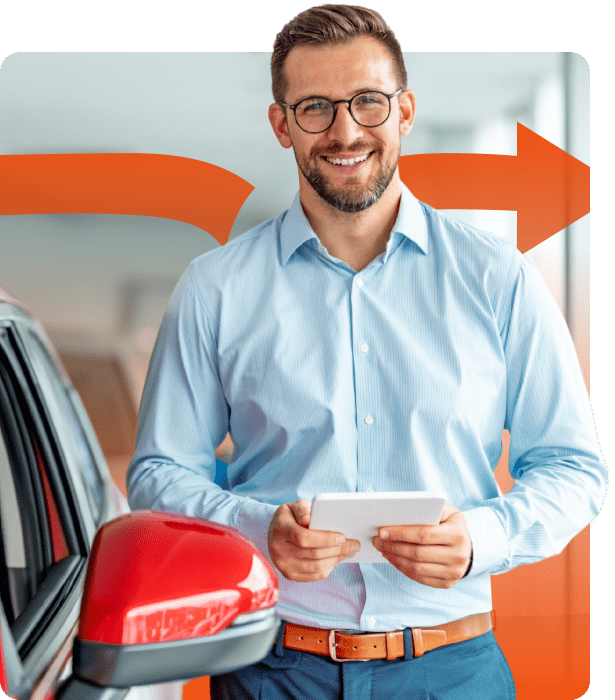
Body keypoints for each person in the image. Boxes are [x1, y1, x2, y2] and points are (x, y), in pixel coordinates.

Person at [127, 5, 607, 699]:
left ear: (405, 110)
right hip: (272, 669)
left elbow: (572, 468)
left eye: (368, 103)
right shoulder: (216, 288)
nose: (345, 131)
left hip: (453, 669)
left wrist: (480, 538)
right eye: (315, 107)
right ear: (281, 124)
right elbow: (159, 473)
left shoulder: (497, 278)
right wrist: (260, 531)